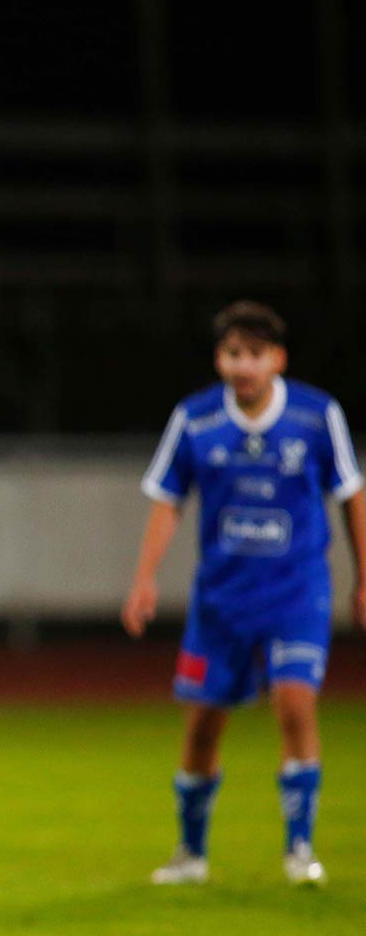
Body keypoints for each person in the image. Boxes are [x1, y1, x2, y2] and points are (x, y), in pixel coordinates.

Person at [123, 300, 364, 888]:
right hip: (221, 602)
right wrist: (144, 576)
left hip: (295, 593)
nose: (244, 365)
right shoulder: (196, 419)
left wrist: (364, 575)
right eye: (233, 353)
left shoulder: (315, 416)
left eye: (255, 354)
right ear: (219, 359)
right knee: (203, 725)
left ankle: (300, 849)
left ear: (277, 359)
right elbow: (167, 498)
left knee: (295, 705)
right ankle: (192, 852)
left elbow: (351, 494)